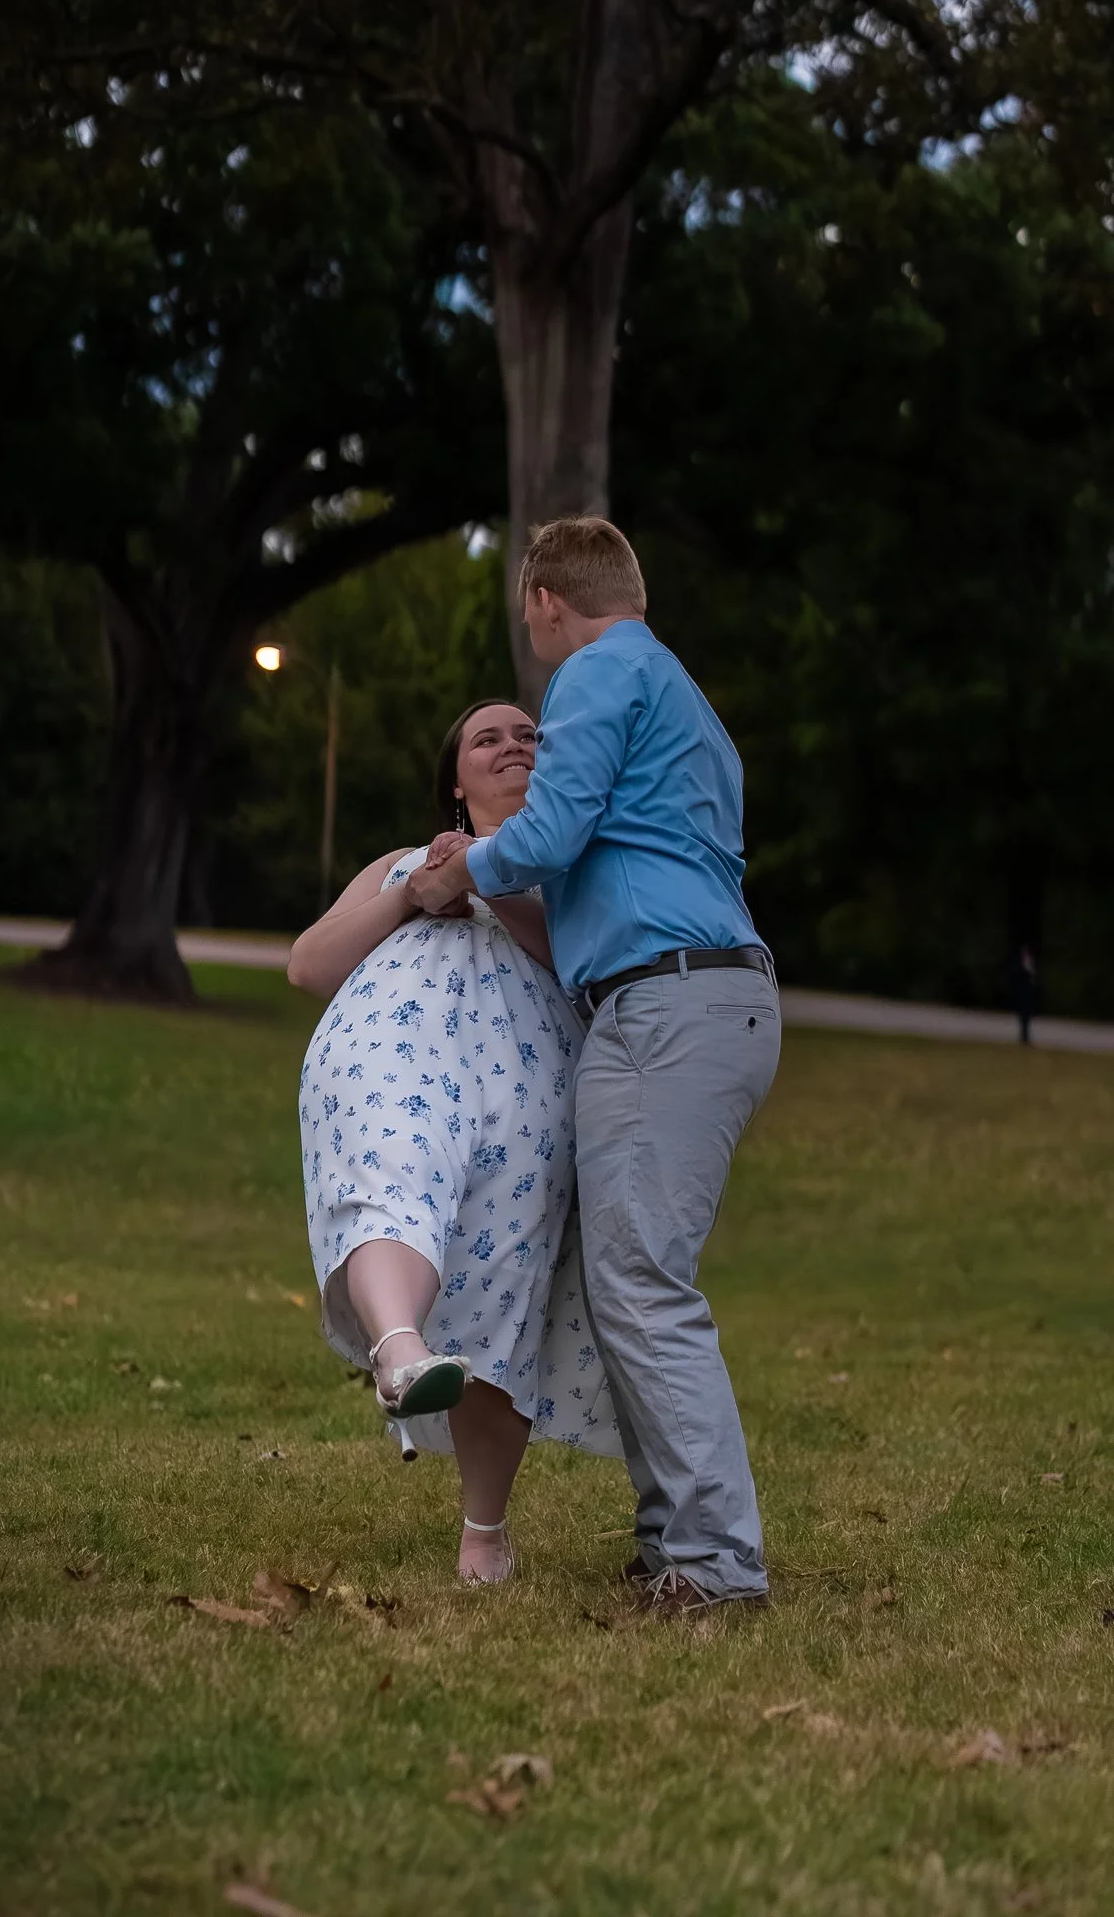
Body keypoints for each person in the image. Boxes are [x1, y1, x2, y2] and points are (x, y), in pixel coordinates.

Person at [409, 517, 780, 1619]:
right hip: (702, 995)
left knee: (640, 1282)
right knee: (632, 1277)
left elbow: (552, 831)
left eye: (529, 615)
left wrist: (455, 874)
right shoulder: (682, 699)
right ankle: (674, 1534)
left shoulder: (595, 671)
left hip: (664, 1002)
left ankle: (715, 1563)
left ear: (544, 603)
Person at [289, 700, 618, 1585]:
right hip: (395, 1050)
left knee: (505, 1280)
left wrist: (488, 882)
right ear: (454, 785)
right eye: (488, 739)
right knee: (390, 1176)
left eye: (528, 737)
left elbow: (588, 970)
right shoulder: (402, 862)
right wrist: (414, 890)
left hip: (528, 1082)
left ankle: (484, 1530)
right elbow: (309, 966)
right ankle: (398, 1348)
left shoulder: (581, 871)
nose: (513, 746)